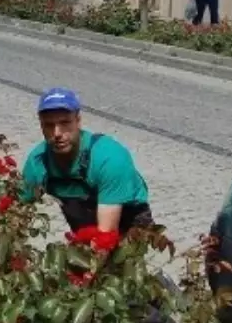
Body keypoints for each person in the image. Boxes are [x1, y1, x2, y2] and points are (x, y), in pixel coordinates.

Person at [19, 88, 154, 234]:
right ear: (41, 125)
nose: (57, 133)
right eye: (49, 125)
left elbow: (106, 234)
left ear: (78, 121)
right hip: (84, 222)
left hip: (128, 221)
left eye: (65, 123)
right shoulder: (38, 161)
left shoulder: (109, 158)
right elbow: (14, 212)